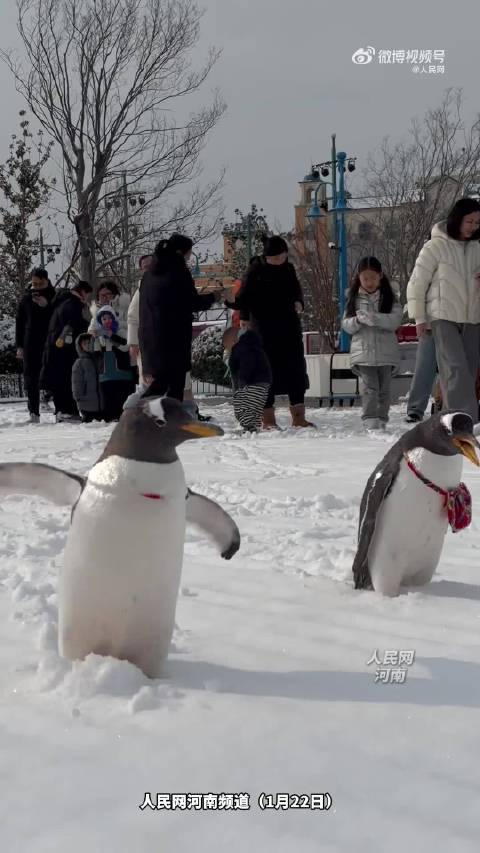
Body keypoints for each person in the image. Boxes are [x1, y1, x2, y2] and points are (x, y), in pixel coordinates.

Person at [225, 235, 314, 429]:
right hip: (263, 329)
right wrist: (233, 302)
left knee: (296, 371)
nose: (279, 261)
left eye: (282, 257)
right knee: (266, 372)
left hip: (289, 327)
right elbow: (243, 298)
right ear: (266, 257)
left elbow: (296, 290)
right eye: (274, 258)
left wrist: (299, 301)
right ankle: (268, 419)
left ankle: (298, 416)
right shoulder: (255, 271)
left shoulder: (289, 269)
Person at [407, 198, 480, 423]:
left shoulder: (478, 248)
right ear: (457, 218)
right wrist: (420, 318)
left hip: (473, 317)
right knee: (455, 368)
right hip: (442, 316)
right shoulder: (435, 246)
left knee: (468, 369)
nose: (473, 226)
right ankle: (467, 420)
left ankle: (451, 419)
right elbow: (417, 283)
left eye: (477, 222)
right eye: (469, 221)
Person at [139, 234, 226, 400]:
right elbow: (191, 302)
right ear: (181, 252)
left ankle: (151, 416)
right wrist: (214, 297)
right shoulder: (177, 270)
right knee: (172, 383)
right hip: (173, 336)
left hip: (150, 336)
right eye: (189, 253)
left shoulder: (150, 273)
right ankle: (144, 415)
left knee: (162, 381)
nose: (189, 257)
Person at [342, 256, 402, 431]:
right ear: (359, 278)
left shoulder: (389, 298)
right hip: (364, 354)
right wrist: (358, 321)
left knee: (384, 390)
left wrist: (375, 318)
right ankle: (369, 418)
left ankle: (382, 418)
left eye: (373, 278)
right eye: (365, 278)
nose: (369, 282)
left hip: (386, 354)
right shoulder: (353, 299)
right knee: (370, 388)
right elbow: (346, 324)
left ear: (380, 276)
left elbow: (395, 320)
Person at [41, 280, 93, 421]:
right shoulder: (73, 304)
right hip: (64, 349)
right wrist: (90, 326)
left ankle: (62, 410)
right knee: (66, 379)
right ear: (82, 291)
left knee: (60, 379)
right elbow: (74, 324)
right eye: (88, 294)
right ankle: (66, 411)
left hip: (55, 347)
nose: (88, 298)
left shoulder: (62, 302)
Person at [15, 268, 56, 423]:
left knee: (52, 375)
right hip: (30, 343)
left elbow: (58, 317)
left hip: (49, 341)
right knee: (31, 378)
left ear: (47, 281)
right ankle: (34, 412)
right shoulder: (26, 299)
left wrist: (47, 306)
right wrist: (19, 346)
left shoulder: (54, 296)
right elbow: (19, 323)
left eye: (41, 284)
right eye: (35, 284)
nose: (37, 287)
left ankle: (58, 408)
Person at [223, 325, 272, 432]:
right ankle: (252, 426)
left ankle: (249, 426)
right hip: (262, 382)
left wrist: (242, 378)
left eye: (227, 347)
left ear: (234, 341)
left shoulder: (243, 348)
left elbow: (247, 363)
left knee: (245, 405)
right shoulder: (251, 346)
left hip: (252, 382)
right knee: (253, 406)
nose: (228, 350)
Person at [94, 306, 135, 420]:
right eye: (104, 319)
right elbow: (97, 352)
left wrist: (111, 336)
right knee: (107, 397)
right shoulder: (100, 334)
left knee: (121, 396)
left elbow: (126, 346)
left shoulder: (121, 331)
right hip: (106, 371)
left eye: (109, 318)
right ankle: (108, 416)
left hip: (122, 371)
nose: (107, 321)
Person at [127, 255, 154, 387]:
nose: (149, 270)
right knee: (148, 385)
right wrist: (133, 343)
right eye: (145, 267)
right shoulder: (141, 291)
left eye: (152, 266)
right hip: (147, 345)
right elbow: (132, 317)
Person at [405, 325, 437, 423]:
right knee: (424, 366)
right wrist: (420, 320)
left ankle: (446, 404)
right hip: (430, 323)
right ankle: (415, 408)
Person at [71, 333, 103, 422]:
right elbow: (76, 381)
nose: (88, 345)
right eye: (85, 344)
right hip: (85, 402)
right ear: (80, 346)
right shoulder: (79, 363)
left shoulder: (97, 359)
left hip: (99, 403)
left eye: (89, 343)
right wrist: (78, 395)